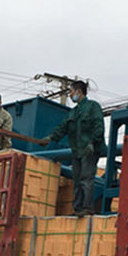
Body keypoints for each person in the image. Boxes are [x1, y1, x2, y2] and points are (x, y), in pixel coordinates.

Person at [42, 80, 107, 216]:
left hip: (89, 149)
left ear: (79, 91)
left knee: (86, 179)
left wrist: (92, 142)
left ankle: (88, 208)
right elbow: (62, 128)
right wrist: (50, 138)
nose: (70, 95)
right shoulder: (73, 112)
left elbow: (99, 126)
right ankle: (77, 208)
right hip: (77, 151)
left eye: (71, 92)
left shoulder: (93, 107)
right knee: (77, 180)